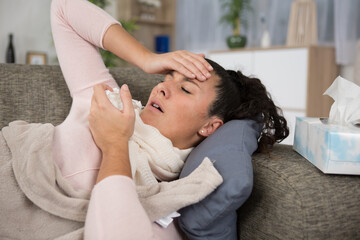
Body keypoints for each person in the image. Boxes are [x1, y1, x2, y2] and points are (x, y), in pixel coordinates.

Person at [49, 0, 288, 238]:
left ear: (209, 126)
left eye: (186, 89)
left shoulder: (167, 206)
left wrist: (115, 145)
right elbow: (63, 9)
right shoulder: (105, 103)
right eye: (166, 78)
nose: (161, 89)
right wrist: (147, 59)